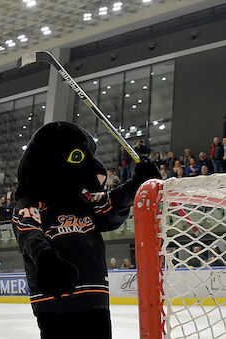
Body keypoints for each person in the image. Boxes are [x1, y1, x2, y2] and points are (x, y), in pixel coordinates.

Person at [12, 122, 159, 339]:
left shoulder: (84, 200)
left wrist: (138, 183)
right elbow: (28, 232)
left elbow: (113, 202)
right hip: (54, 302)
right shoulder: (30, 203)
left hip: (94, 301)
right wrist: (46, 258)